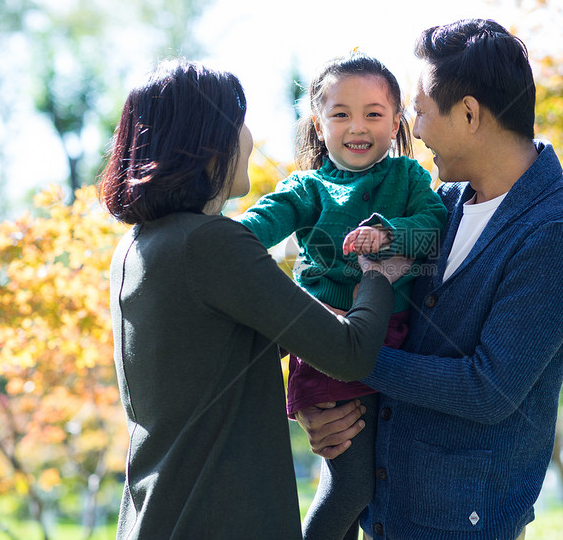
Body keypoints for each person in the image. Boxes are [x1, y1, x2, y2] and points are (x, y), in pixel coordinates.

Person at [296, 19, 563, 540]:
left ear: (468, 114)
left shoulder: (558, 229)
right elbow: (376, 306)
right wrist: (321, 402)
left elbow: (489, 389)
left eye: (418, 110)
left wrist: (344, 354)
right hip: (389, 510)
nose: (413, 129)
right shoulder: (442, 205)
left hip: (464, 525)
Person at [98, 59, 410, 540]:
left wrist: (312, 399)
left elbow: (219, 356)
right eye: (239, 122)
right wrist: (380, 271)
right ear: (205, 143)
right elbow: (350, 351)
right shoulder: (211, 243)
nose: (249, 136)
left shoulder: (138, 247)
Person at [236, 51, 447, 540]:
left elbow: (435, 227)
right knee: (350, 486)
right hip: (330, 346)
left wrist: (389, 234)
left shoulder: (408, 178)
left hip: (396, 344)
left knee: (369, 487)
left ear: (397, 122)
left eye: (374, 114)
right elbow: (260, 222)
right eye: (340, 114)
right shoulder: (308, 187)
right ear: (318, 123)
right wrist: (219, 239)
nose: (358, 126)